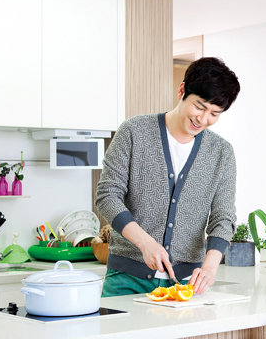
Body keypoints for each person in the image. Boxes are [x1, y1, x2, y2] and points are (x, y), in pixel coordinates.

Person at [96, 57, 240, 297]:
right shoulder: (133, 132)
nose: (203, 119)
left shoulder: (221, 153)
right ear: (182, 90)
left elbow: (223, 216)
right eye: (199, 106)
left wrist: (210, 267)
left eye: (214, 113)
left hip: (185, 285)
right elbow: (107, 195)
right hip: (126, 279)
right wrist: (145, 243)